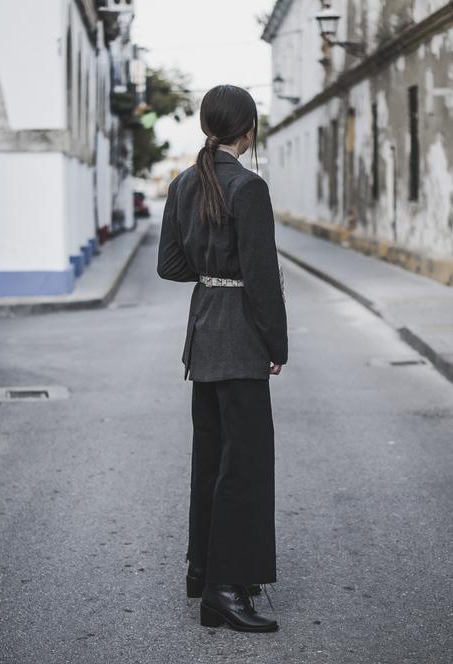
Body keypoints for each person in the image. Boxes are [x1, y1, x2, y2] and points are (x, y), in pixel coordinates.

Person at [157, 84, 288, 633]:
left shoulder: (184, 182)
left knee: (211, 458)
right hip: (239, 341)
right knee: (246, 466)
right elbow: (260, 277)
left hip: (204, 334)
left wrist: (210, 277)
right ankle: (226, 591)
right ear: (248, 130)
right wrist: (276, 344)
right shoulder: (248, 186)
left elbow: (169, 264)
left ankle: (204, 569)